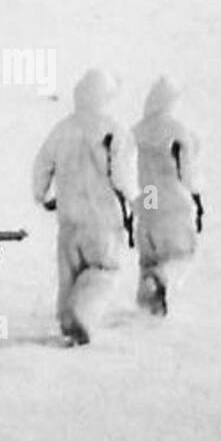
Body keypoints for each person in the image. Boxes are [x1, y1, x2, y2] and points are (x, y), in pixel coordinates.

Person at [31, 68, 138, 346]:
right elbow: (122, 177)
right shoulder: (114, 130)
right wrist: (137, 201)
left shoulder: (62, 128)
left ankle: (67, 319)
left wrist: (42, 196)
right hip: (102, 221)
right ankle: (80, 316)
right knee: (103, 271)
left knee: (70, 275)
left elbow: (42, 165)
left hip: (68, 221)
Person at [132, 76, 204, 316]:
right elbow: (187, 172)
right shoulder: (177, 130)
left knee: (150, 254)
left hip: (148, 196)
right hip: (171, 197)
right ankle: (161, 285)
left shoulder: (136, 131)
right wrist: (196, 198)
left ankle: (150, 293)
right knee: (179, 252)